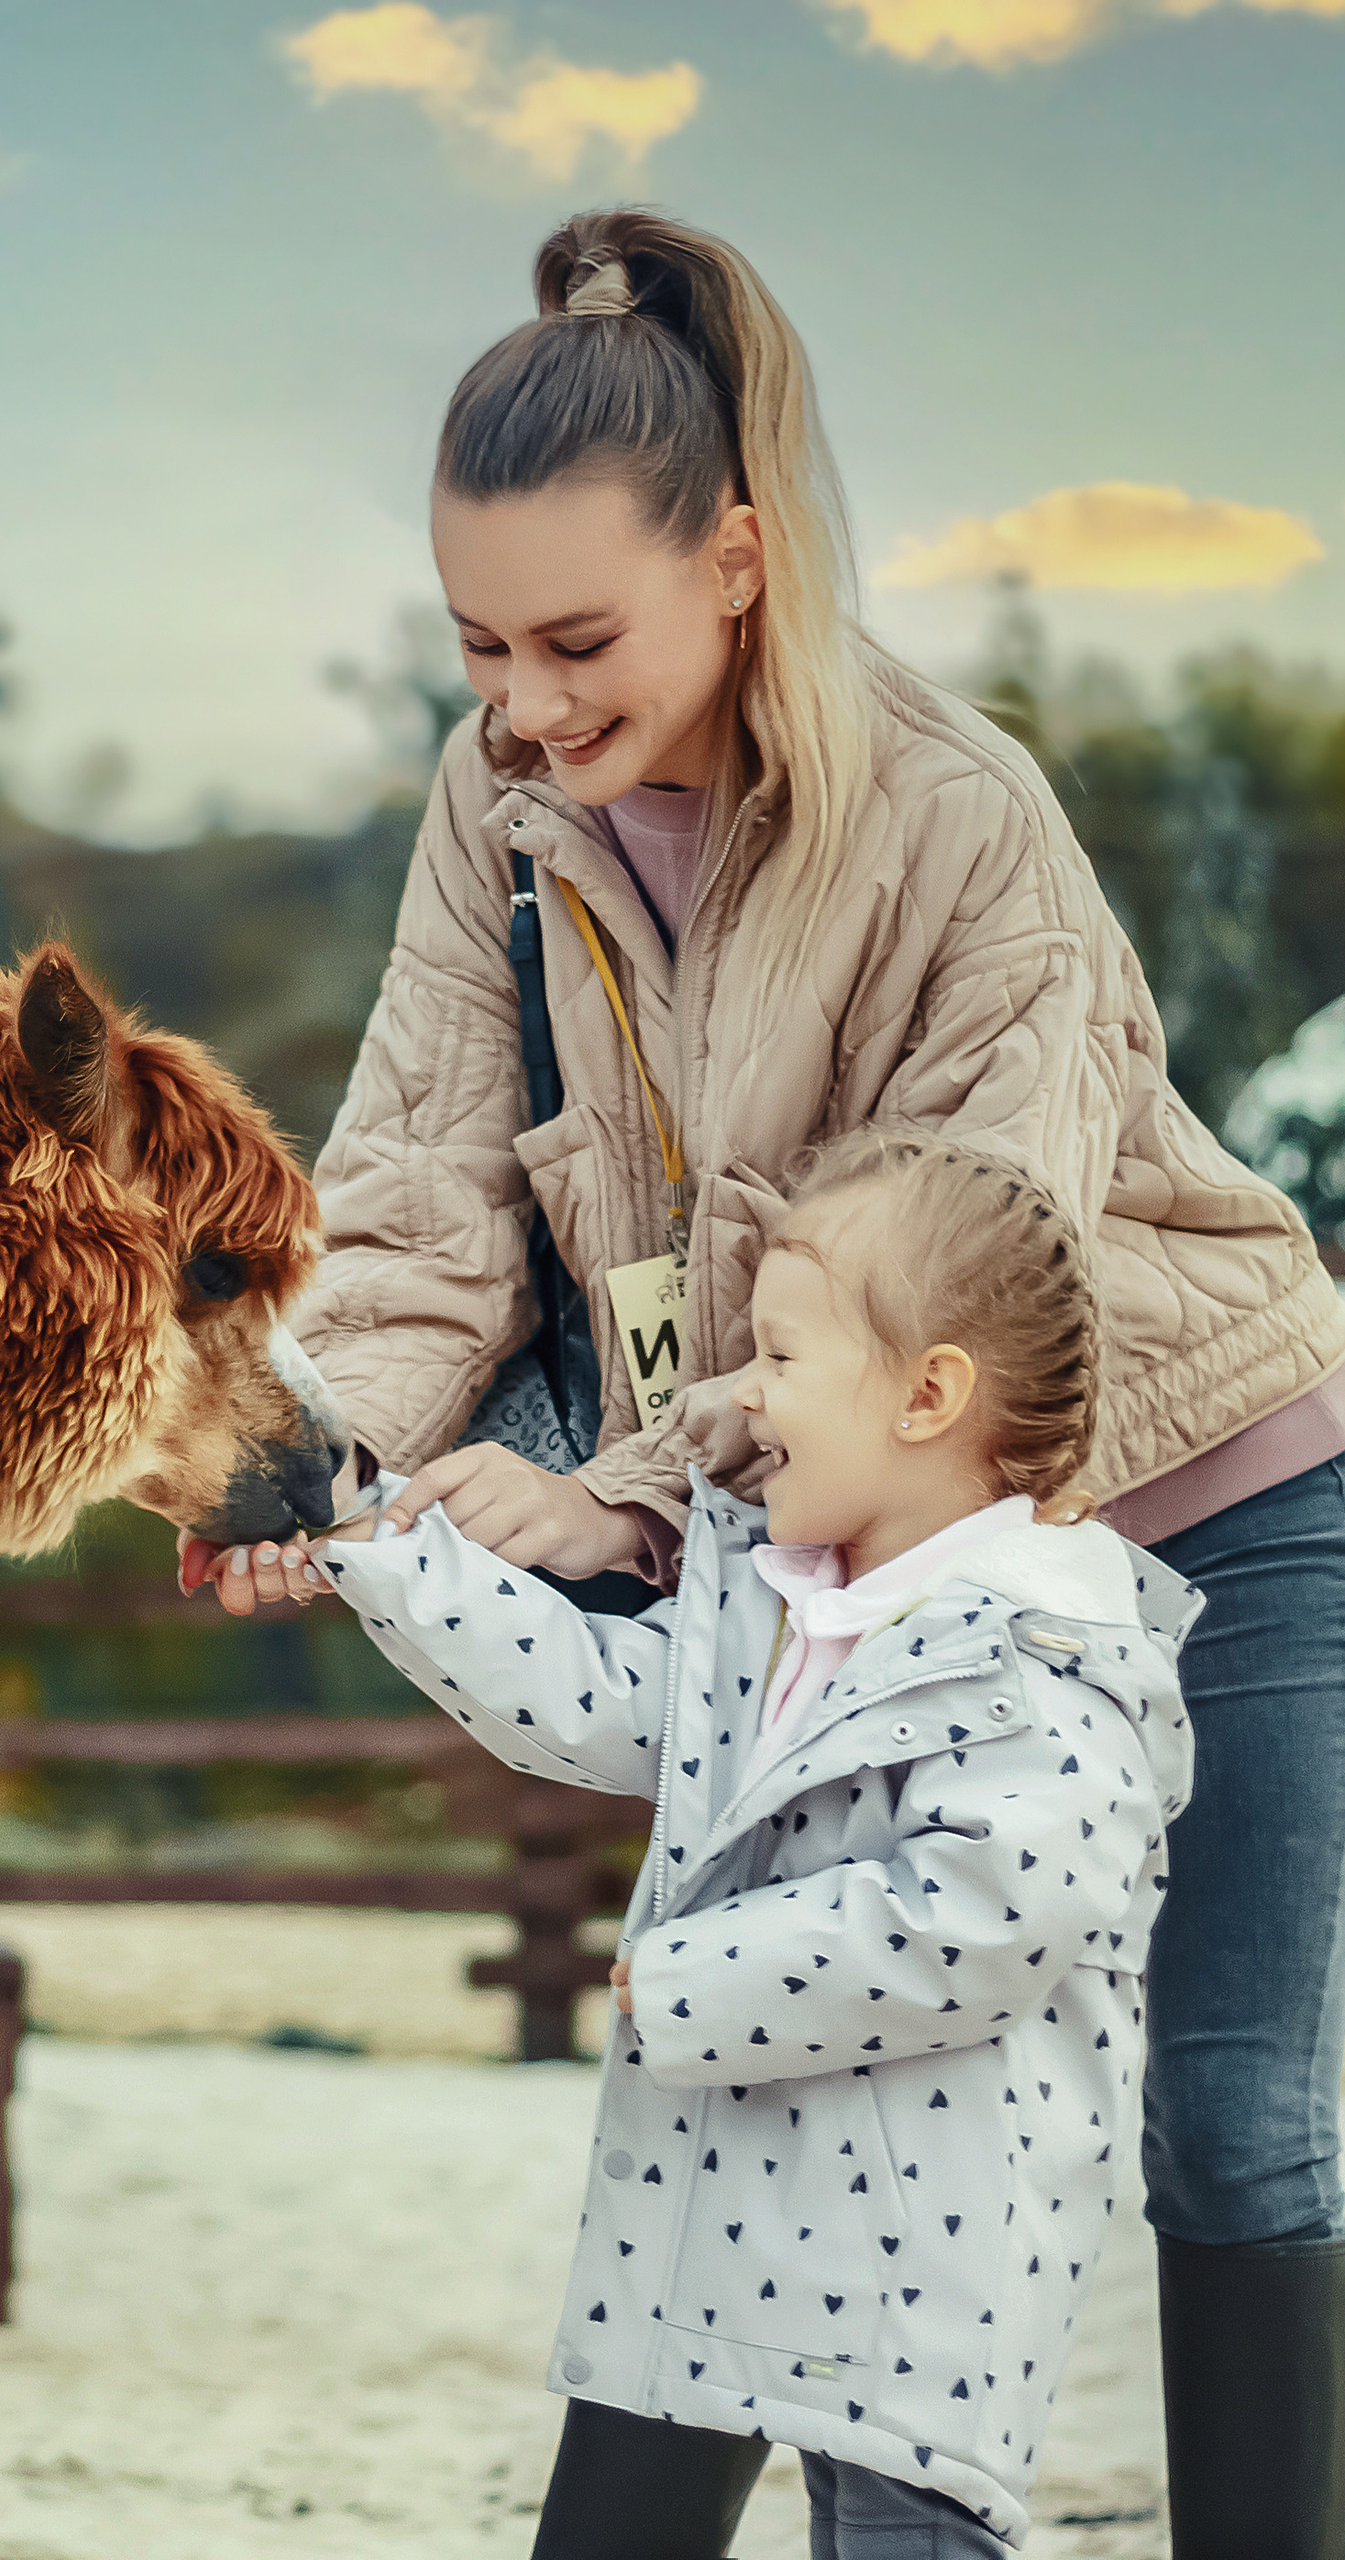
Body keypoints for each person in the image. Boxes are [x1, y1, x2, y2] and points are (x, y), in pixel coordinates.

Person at [199, 207, 1345, 2557]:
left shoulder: (956, 821)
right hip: (816, 1496)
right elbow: (418, 1175)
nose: (520, 700)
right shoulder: (495, 801)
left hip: (1188, 1481)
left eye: (577, 637)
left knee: (1223, 2115)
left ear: (734, 558)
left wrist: (618, 1494)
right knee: (769, 2081)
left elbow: (953, 1296)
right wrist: (311, 1455)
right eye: (477, 641)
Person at [319, 1133, 1195, 2554]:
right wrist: (375, 1540)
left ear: (930, 1394)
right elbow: (595, 1697)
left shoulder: (1044, 1655)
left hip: (924, 2277)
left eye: (783, 1358)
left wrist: (684, 1980)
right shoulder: (784, 1604)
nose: (742, 1398)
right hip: (725, 2222)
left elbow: (985, 1911)